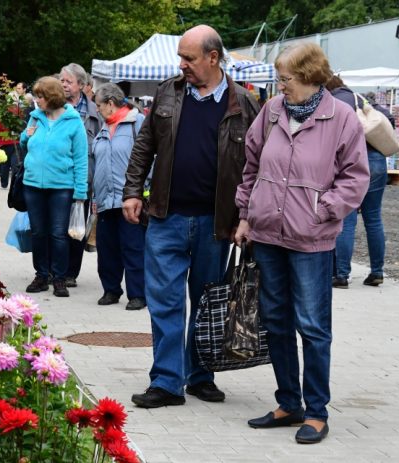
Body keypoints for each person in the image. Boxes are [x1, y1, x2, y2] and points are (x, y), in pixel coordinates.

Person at [235, 43, 368, 444]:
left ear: (310, 77)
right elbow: (252, 164)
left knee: (312, 326)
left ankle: (316, 411)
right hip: (268, 234)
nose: (281, 86)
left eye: (286, 79)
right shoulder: (272, 112)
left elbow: (356, 178)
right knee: (275, 320)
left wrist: (323, 209)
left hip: (311, 238)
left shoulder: (341, 117)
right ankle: (288, 401)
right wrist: (246, 213)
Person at [122, 25, 260, 408]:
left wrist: (246, 216)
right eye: (181, 57)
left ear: (213, 58)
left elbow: (257, 165)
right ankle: (167, 382)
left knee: (206, 303)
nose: (181, 64)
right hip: (166, 217)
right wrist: (133, 191)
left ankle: (200, 375)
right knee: (165, 301)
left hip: (216, 225)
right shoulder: (169, 91)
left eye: (189, 58)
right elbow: (144, 145)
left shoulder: (244, 104)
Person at [20, 76, 88, 298]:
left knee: (58, 234)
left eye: (40, 96)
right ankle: (41, 275)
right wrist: (25, 136)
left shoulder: (73, 121)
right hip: (33, 185)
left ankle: (59, 278)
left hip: (61, 187)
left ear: (51, 97)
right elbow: (24, 142)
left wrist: (80, 192)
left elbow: (80, 159)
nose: (36, 100)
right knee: (38, 232)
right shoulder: (35, 118)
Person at [326, 77, 391, 288]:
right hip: (378, 161)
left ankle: (342, 275)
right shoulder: (360, 98)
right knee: (374, 218)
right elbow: (386, 119)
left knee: (347, 219)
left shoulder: (335, 102)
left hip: (353, 162)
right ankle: (377, 272)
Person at [91, 83, 147, 310]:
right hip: (105, 200)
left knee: (133, 247)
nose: (97, 110)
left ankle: (138, 294)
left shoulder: (137, 123)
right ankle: (111, 290)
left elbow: (149, 158)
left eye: (99, 105)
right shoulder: (103, 129)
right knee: (107, 249)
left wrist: (145, 190)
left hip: (130, 199)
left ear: (111, 104)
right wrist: (95, 197)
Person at [60, 63, 101, 288]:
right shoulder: (54, 106)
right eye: (62, 80)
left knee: (76, 227)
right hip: (58, 177)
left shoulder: (95, 112)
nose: (64, 85)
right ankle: (54, 269)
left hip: (84, 178)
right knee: (56, 226)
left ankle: (70, 273)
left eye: (68, 81)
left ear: (81, 85)